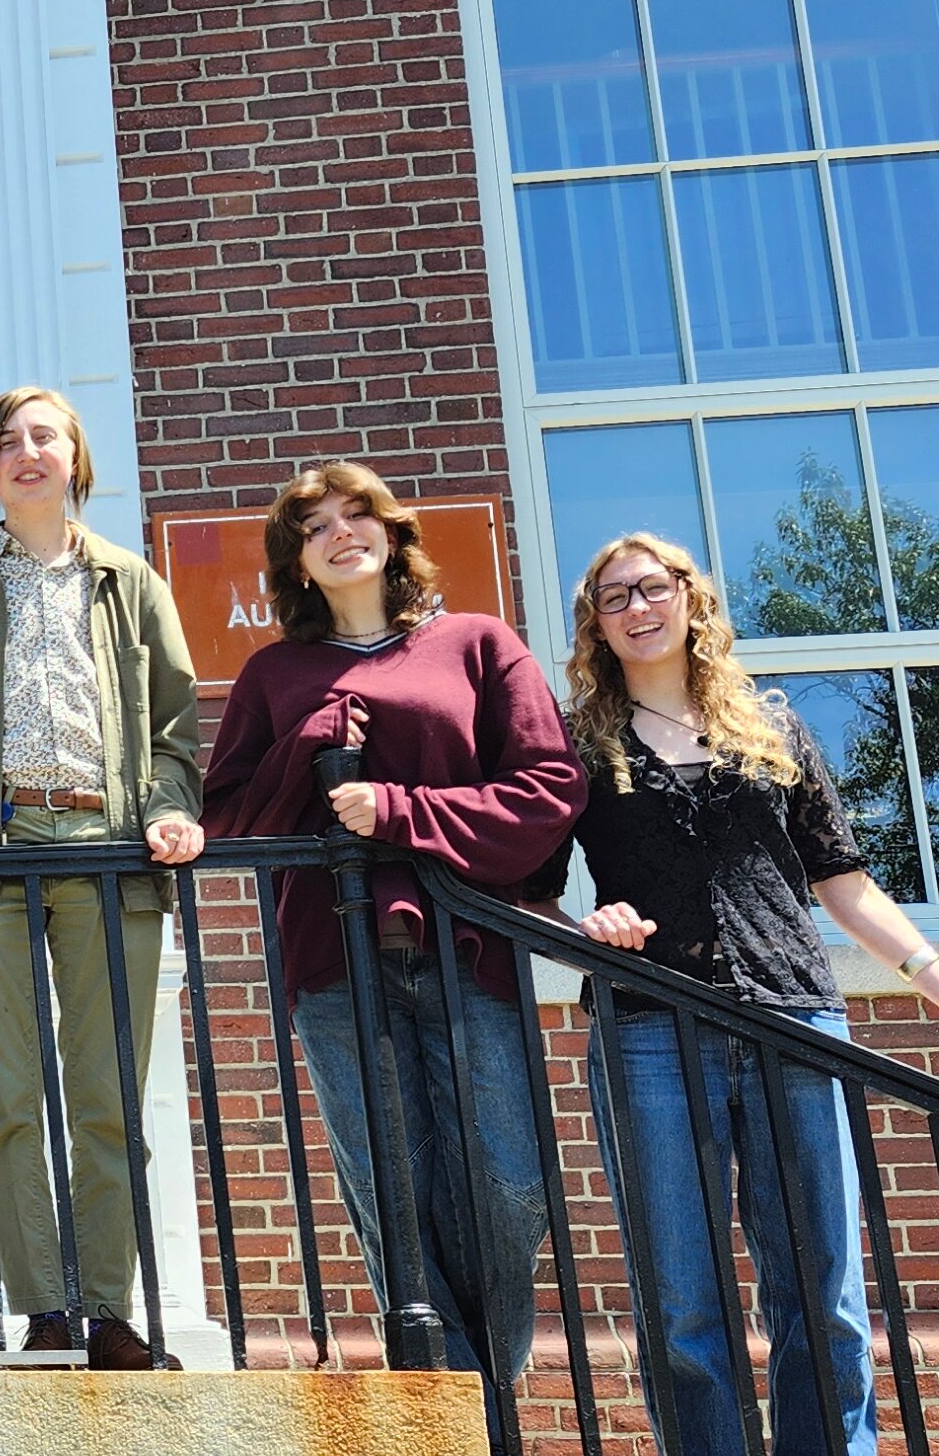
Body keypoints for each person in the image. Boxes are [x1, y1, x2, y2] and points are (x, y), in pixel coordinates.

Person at [558, 533, 939, 1456]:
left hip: (794, 1024)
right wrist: (586, 928)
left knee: (822, 1289)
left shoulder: (770, 729)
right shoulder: (576, 745)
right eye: (612, 597)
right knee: (680, 1302)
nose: (636, 607)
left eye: (652, 587)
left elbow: (844, 885)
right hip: (648, 1030)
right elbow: (524, 886)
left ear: (689, 598)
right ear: (594, 625)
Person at [197, 461, 584, 1394]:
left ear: (392, 532)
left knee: (509, 1184)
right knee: (389, 1193)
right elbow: (228, 822)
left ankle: (482, 1391)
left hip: (467, 950)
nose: (340, 533)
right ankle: (451, 1405)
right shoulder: (273, 673)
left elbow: (547, 790)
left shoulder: (476, 644)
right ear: (295, 561)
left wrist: (398, 810)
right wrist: (309, 743)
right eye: (314, 526)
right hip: (336, 965)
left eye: (356, 514)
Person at [0, 385, 205, 1372]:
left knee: (108, 1097)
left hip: (109, 854)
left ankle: (108, 1307)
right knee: (9, 1096)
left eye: (45, 437)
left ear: (75, 458)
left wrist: (166, 808)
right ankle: (43, 1313)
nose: (26, 453)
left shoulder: (129, 581)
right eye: (6, 441)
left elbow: (174, 730)